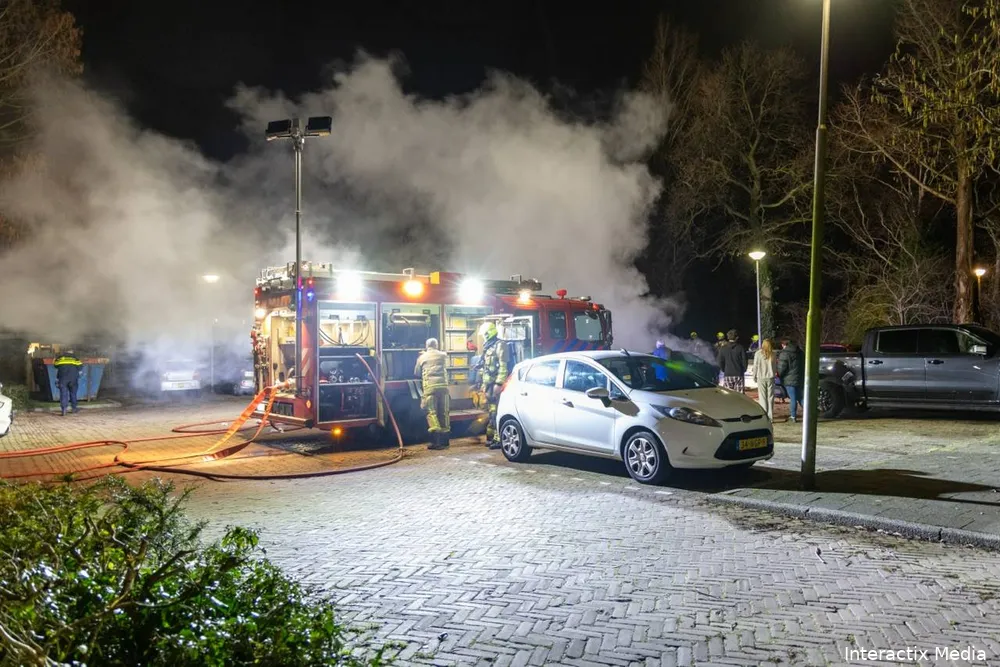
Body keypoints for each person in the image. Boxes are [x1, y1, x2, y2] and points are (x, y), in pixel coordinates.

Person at [415, 337, 450, 450]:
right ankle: (445, 441)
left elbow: (416, 373)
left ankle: (436, 442)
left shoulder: (422, 357)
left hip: (430, 388)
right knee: (443, 413)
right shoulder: (443, 355)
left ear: (426, 346)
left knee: (431, 413)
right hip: (443, 388)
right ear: (437, 345)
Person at [480, 323, 510, 449]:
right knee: (492, 411)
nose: (483, 337)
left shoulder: (500, 345)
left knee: (497, 412)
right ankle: (491, 437)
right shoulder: (488, 346)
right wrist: (483, 385)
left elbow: (503, 367)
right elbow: (486, 367)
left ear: (489, 333)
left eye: (484, 334)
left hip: (495, 385)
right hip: (489, 385)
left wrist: (499, 383)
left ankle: (498, 440)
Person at [777, 337, 805, 422]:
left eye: (782, 345)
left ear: (785, 344)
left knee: (793, 398)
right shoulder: (800, 352)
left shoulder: (785, 353)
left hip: (789, 379)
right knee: (800, 397)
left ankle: (793, 416)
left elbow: (781, 368)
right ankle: (809, 413)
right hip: (800, 378)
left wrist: (779, 376)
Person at [752, 338, 776, 421]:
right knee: (770, 397)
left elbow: (755, 366)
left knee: (762, 397)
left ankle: (765, 416)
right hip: (771, 377)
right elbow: (775, 366)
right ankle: (771, 416)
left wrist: (754, 376)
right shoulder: (773, 354)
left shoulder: (758, 353)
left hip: (761, 377)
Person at [54, 349, 83, 416]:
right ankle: (74, 409)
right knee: (73, 393)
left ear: (65, 352)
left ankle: (64, 410)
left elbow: (55, 365)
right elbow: (80, 367)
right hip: (73, 379)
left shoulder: (60, 358)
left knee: (63, 394)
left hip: (62, 379)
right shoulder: (75, 358)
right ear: (71, 352)